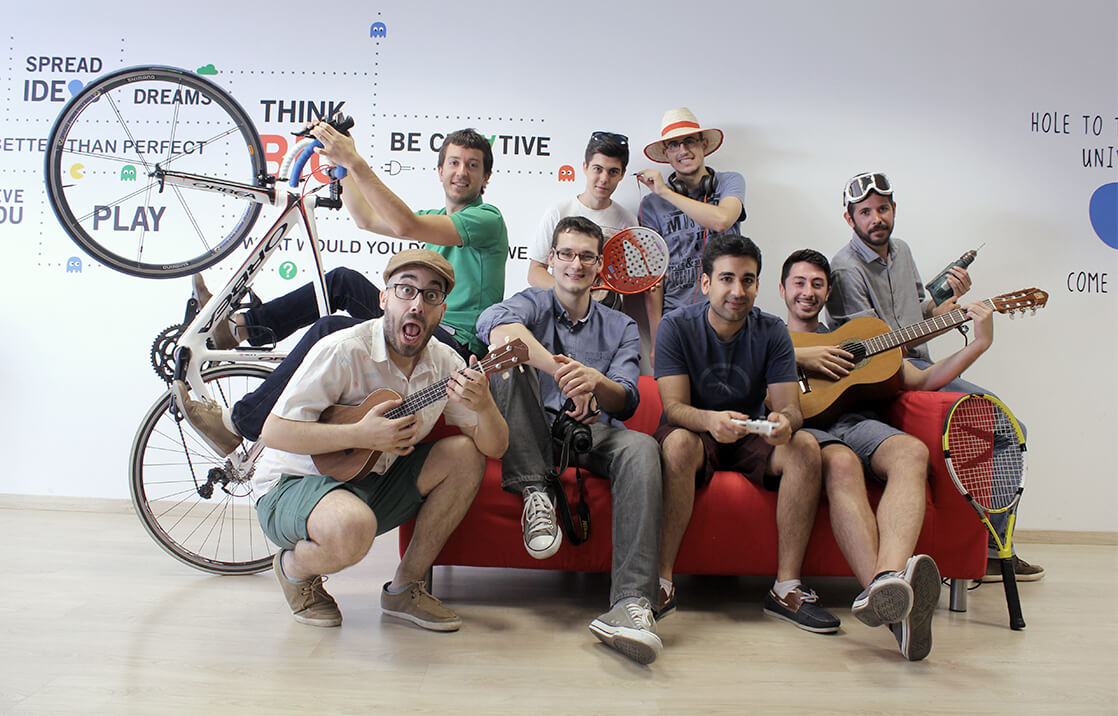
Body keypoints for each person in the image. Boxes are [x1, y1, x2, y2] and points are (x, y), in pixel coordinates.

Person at [176, 128, 508, 457]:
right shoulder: (435, 218)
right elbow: (366, 218)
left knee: (330, 329)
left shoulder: (487, 218)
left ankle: (237, 425)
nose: (461, 172)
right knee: (340, 281)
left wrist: (355, 160)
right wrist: (341, 164)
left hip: (455, 346)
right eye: (454, 163)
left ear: (486, 177)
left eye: (472, 165)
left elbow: (405, 224)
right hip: (421, 324)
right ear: (440, 170)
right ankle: (238, 329)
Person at [252, 248, 508, 631]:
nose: (417, 304)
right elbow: (273, 431)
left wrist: (485, 406)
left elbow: (495, 448)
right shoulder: (343, 350)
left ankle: (405, 589)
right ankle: (294, 569)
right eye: (406, 290)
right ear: (384, 298)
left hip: (369, 480)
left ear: (441, 311)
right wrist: (359, 433)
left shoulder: (446, 363)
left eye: (431, 295)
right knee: (353, 528)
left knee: (465, 454)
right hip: (294, 483)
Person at [826, 171, 1044, 583]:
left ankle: (992, 550)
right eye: (865, 212)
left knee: (1011, 429)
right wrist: (948, 330)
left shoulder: (902, 251)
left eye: (883, 209)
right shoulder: (844, 269)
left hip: (921, 364)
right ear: (849, 218)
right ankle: (992, 552)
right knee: (1006, 428)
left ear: (894, 209)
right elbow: (877, 349)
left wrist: (948, 307)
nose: (876, 219)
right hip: (891, 378)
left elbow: (918, 316)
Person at [780, 248, 998, 660]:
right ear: (782, 289)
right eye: (799, 283)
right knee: (842, 462)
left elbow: (922, 379)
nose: (808, 292)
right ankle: (896, 618)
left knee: (911, 452)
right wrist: (799, 355)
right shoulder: (768, 335)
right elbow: (743, 359)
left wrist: (980, 343)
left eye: (817, 284)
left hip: (856, 422)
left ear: (828, 293)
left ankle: (886, 579)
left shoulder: (860, 335)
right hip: (805, 429)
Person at [475, 216, 664, 664]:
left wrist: (596, 383)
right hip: (529, 428)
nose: (575, 264)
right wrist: (563, 373)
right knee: (504, 360)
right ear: (552, 259)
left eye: (585, 256)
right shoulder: (530, 302)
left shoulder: (620, 326)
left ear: (599, 266)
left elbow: (627, 401)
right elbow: (497, 331)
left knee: (642, 447)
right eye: (566, 254)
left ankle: (631, 604)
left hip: (589, 434)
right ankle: (535, 491)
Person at [653, 233, 839, 634]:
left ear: (757, 285)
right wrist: (710, 421)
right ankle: (661, 582)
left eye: (748, 280)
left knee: (805, 445)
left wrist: (785, 422)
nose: (738, 291)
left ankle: (786, 589)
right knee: (678, 443)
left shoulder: (772, 330)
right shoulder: (675, 326)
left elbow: (790, 408)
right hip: (696, 430)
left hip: (751, 431)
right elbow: (674, 409)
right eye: (727, 279)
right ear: (706, 283)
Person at [634, 108, 746, 353]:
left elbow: (722, 220)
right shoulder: (651, 205)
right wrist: (657, 338)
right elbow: (654, 277)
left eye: (690, 141)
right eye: (674, 145)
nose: (683, 150)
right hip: (676, 321)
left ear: (703, 145)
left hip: (729, 313)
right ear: (666, 154)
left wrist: (665, 192)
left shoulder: (729, 182)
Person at [526, 131, 637, 292]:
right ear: (585, 167)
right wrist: (574, 294)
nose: (604, 178)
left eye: (613, 171)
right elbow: (535, 273)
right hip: (562, 307)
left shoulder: (629, 221)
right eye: (597, 169)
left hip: (610, 307)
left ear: (622, 174)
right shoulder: (558, 212)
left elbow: (630, 281)